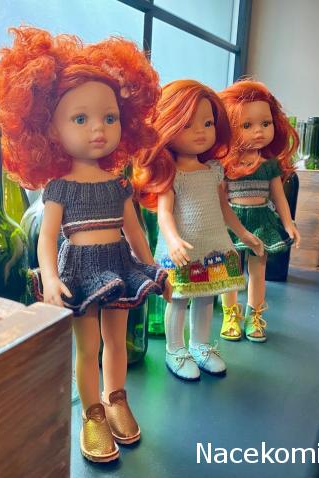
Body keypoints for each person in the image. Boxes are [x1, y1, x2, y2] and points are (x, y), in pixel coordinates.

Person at [0, 26, 170, 463]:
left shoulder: (118, 184)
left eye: (109, 118)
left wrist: (152, 269)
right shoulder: (60, 188)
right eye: (80, 119)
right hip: (79, 269)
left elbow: (136, 233)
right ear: (48, 129)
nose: (98, 130)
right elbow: (47, 237)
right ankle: (92, 413)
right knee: (88, 347)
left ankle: (116, 398)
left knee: (117, 340)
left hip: (119, 264)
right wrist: (51, 278)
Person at [133, 79, 263, 380]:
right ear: (169, 125)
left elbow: (224, 208)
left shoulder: (213, 170)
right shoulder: (171, 173)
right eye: (188, 125)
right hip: (183, 249)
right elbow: (164, 214)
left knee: (206, 297)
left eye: (208, 123)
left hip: (213, 245)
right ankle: (175, 349)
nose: (201, 132)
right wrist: (173, 241)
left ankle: (200, 345)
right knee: (178, 298)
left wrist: (243, 234)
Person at [218, 80, 301, 343]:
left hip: (262, 220)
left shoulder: (269, 165)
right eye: (247, 125)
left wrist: (288, 223)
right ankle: (231, 314)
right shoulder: (226, 166)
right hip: (233, 221)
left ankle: (254, 315)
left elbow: (279, 196)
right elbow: (221, 200)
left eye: (266, 123)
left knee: (258, 271)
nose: (259, 132)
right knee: (231, 271)